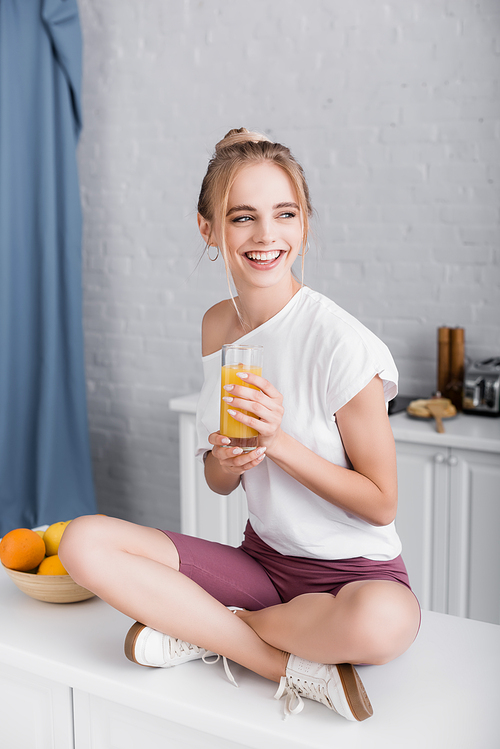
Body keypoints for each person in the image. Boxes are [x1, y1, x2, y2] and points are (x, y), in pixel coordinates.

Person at [60, 128, 421, 722]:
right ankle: (281, 666)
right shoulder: (217, 326)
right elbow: (221, 481)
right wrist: (223, 463)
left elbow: (382, 504)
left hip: (353, 581)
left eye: (285, 214)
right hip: (263, 566)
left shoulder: (340, 344)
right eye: (242, 217)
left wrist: (281, 443)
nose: (266, 236)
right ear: (208, 229)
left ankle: (209, 630)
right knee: (83, 541)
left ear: (304, 224)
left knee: (387, 623)